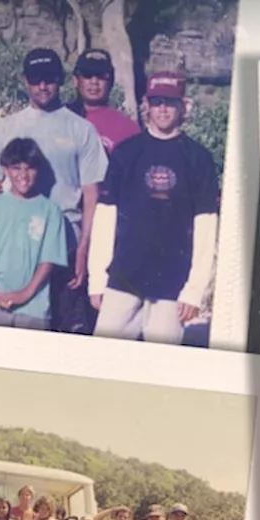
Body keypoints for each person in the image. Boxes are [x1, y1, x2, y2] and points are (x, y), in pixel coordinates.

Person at [88, 71, 220, 345]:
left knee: (162, 366)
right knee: (104, 358)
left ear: (183, 106)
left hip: (173, 283)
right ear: (146, 104)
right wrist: (97, 280)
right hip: (123, 276)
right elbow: (105, 218)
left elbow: (206, 227)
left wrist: (194, 290)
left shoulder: (198, 158)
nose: (162, 109)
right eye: (157, 101)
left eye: (170, 102)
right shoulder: (126, 153)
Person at [0, 48, 108, 334]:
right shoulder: (6, 127)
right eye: (36, 79)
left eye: (50, 79)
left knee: (66, 331)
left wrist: (85, 248)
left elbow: (91, 193)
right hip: (14, 247)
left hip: (66, 243)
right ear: (25, 80)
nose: (43, 86)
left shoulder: (82, 129)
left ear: (60, 80)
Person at [0, 138, 69, 329]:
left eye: (29, 168)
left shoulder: (51, 211)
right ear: (5, 170)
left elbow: (48, 261)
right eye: (16, 168)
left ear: (38, 170)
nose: (23, 175)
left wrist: (25, 294)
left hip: (35, 308)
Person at [66, 48, 140, 154]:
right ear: (76, 80)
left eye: (101, 76)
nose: (94, 82)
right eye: (87, 75)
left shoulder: (128, 128)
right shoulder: (60, 119)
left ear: (111, 81)